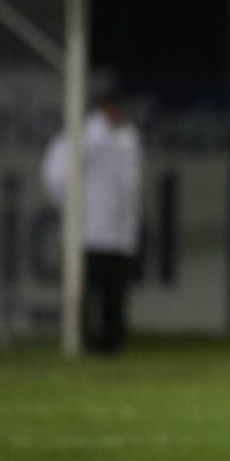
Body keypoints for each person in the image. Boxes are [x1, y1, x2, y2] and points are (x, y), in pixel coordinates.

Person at [42, 84, 143, 355]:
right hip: (89, 230)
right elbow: (55, 175)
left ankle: (113, 341)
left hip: (121, 231)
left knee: (115, 292)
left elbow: (130, 186)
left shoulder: (129, 137)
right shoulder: (84, 135)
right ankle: (85, 340)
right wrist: (73, 210)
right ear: (103, 108)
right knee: (88, 292)